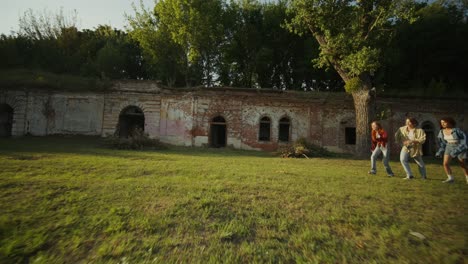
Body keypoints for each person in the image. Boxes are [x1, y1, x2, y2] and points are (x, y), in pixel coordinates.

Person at [435, 117, 468, 184]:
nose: (443, 124)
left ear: (450, 122)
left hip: (459, 146)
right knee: (445, 163)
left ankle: (467, 177)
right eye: (441, 123)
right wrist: (440, 151)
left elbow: (464, 140)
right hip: (449, 146)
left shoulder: (457, 130)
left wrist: (458, 150)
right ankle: (450, 178)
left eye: (444, 122)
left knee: (462, 164)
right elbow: (442, 143)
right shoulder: (441, 132)